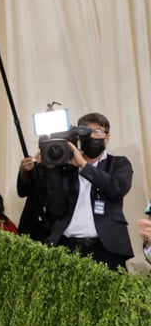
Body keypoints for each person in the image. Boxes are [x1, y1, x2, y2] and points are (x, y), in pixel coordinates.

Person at [42, 112, 132, 270]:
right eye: (86, 132)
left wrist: (83, 165)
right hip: (67, 247)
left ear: (107, 137)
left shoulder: (118, 163)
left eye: (97, 131)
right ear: (79, 138)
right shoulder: (66, 168)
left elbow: (116, 189)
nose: (92, 136)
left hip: (106, 248)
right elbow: (56, 208)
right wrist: (53, 170)